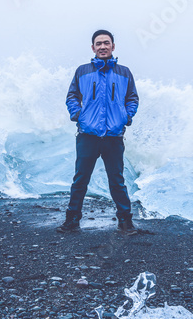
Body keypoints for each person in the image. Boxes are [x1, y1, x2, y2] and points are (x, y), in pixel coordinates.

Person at [57, 29, 140, 234]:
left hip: (114, 136)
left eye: (106, 43)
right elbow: (72, 96)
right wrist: (78, 115)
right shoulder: (83, 71)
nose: (103, 46)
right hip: (88, 135)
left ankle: (125, 221)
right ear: (93, 47)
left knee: (117, 181)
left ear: (113, 46)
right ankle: (72, 220)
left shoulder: (124, 72)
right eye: (98, 43)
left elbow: (132, 98)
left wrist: (126, 117)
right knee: (80, 179)